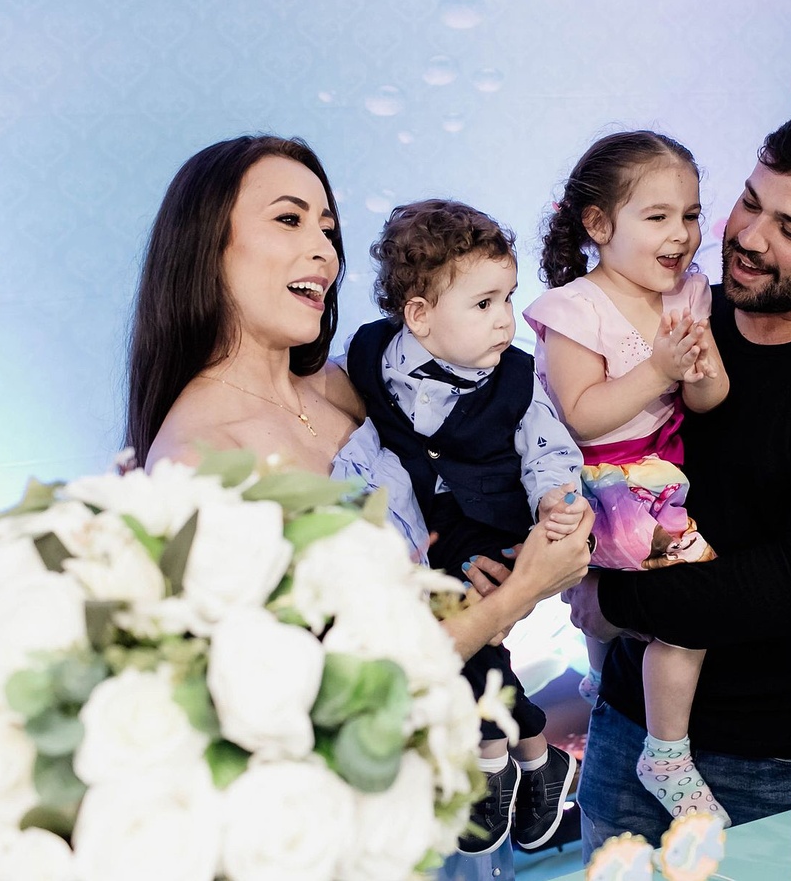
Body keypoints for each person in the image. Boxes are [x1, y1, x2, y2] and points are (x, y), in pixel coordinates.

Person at [123, 133, 594, 679]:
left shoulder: (347, 382)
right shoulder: (196, 462)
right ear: (205, 244)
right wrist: (522, 592)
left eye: (327, 229)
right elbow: (315, 688)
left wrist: (518, 550)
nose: (325, 251)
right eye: (289, 220)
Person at [562, 104, 791, 856]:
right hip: (626, 724)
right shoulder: (681, 311)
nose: (749, 236)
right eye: (750, 201)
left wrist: (613, 601)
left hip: (769, 762)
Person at [338, 199, 586, 856]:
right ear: (419, 315)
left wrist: (555, 501)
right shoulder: (368, 354)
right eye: (484, 303)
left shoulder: (516, 378)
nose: (506, 318)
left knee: (464, 631)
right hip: (431, 526)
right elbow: (365, 441)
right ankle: (538, 757)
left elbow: (549, 450)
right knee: (450, 637)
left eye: (508, 297)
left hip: (495, 522)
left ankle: (493, 759)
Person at [522, 131, 731, 825]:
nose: (682, 234)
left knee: (634, 613)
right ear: (599, 223)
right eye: (658, 216)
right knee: (690, 610)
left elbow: (708, 398)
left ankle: (599, 676)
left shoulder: (687, 293)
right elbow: (581, 414)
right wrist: (658, 368)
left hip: (662, 472)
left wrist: (699, 368)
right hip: (602, 480)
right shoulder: (576, 308)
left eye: (691, 215)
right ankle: (665, 753)